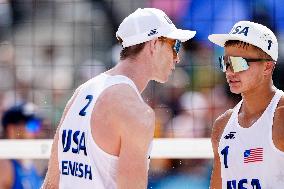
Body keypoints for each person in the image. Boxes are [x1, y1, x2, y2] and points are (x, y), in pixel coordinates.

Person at [41, 8, 196, 189]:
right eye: (175, 46)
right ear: (154, 44)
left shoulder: (81, 93)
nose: (177, 58)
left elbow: (50, 184)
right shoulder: (136, 111)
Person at [208, 21, 284, 189]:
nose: (229, 71)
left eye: (239, 62)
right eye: (225, 62)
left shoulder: (281, 117)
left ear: (267, 66)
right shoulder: (222, 125)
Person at [0, 103, 43, 189]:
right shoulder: (5, 167)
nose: (36, 132)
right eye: (32, 125)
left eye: (37, 125)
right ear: (11, 130)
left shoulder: (30, 165)